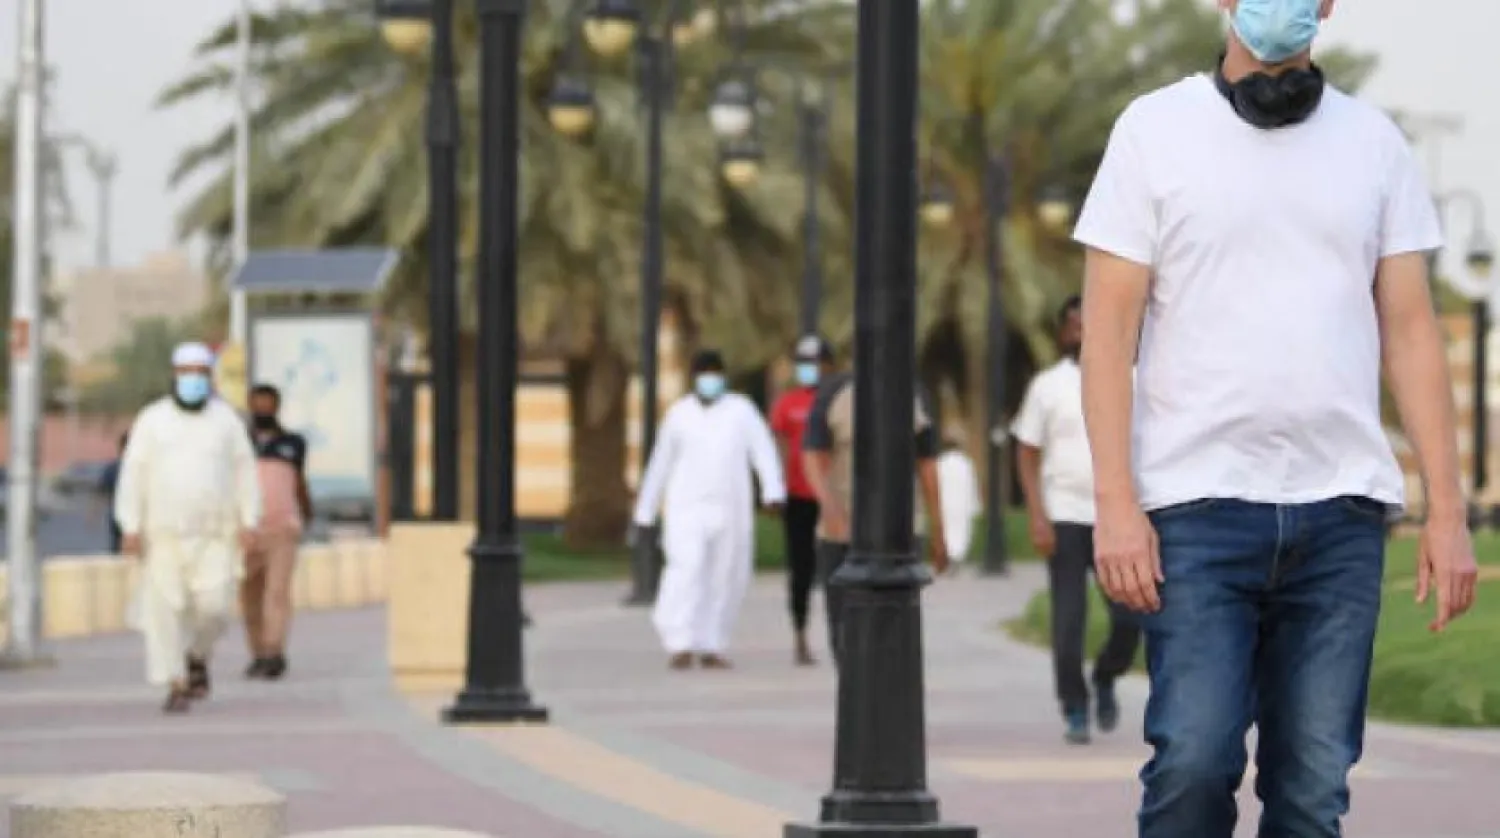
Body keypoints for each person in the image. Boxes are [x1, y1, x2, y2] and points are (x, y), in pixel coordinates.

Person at [1075, 1, 1479, 835]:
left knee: (1312, 787)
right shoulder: (1153, 131)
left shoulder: (1374, 144)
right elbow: (1108, 336)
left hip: (1341, 515)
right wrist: (1115, 503)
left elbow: (1410, 332)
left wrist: (1448, 511)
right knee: (1192, 763)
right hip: (1195, 509)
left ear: (1327, 4)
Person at [1012, 295, 1140, 745]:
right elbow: (1027, 452)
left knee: (1129, 619)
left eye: (1089, 321)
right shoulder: (1047, 386)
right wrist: (1037, 515)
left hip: (1117, 518)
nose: (1082, 331)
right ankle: (1075, 706)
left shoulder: (1133, 378)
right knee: (1068, 621)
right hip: (1065, 515)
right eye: (1074, 324)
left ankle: (1105, 676)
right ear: (1064, 333)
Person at [115, 342, 261, 713]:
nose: (193, 379)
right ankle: (175, 681)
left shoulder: (226, 422)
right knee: (164, 611)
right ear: (174, 375)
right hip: (162, 536)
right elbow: (133, 474)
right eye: (186, 372)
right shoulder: (152, 420)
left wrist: (250, 520)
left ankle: (197, 655)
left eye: (200, 372)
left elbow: (245, 471)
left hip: (215, 535)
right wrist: (130, 525)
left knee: (214, 607)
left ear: (210, 377)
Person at [632, 349, 786, 670]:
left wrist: (773, 491)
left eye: (715, 373)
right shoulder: (679, 415)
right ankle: (680, 642)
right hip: (686, 509)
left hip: (731, 508)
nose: (710, 380)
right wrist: (645, 509)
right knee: (685, 570)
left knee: (726, 575)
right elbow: (660, 463)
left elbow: (763, 450)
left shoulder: (741, 411)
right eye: (705, 374)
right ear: (694, 378)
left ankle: (712, 643)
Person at [802, 370, 948, 668]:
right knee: (843, 627)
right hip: (841, 530)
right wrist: (829, 506)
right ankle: (852, 687)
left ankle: (892, 688)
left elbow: (927, 463)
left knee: (896, 624)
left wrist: (939, 529)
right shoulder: (834, 393)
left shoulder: (913, 392)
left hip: (901, 529)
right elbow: (812, 455)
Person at [768, 334, 836, 666]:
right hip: (798, 497)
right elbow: (777, 447)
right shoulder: (787, 404)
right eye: (803, 363)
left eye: (814, 363)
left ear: (828, 366)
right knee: (801, 568)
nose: (808, 369)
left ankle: (840, 633)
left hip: (833, 498)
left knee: (837, 566)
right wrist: (774, 489)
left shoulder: (838, 401)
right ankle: (800, 635)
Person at [241, 383, 312, 681]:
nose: (263, 409)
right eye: (258, 404)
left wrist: (306, 510)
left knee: (277, 591)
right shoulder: (239, 443)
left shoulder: (292, 444)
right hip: (246, 529)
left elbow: (299, 481)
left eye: (268, 404)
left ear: (277, 406)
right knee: (250, 595)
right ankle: (258, 652)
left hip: (282, 528)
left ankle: (274, 650)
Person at [934, 426, 980, 570]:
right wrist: (975, 505)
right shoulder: (965, 463)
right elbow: (971, 485)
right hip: (961, 504)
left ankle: (950, 556)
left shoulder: (940, 462)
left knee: (949, 530)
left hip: (946, 503)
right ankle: (956, 557)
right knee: (960, 531)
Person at [96, 432, 129, 554]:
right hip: (125, 515)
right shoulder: (115, 468)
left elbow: (101, 492)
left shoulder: (113, 467)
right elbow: (102, 491)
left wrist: (94, 513)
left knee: (117, 547)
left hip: (117, 514)